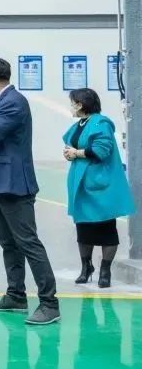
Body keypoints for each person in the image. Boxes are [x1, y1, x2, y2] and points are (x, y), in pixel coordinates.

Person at [0, 57, 59, 325]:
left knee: (28, 243)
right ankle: (16, 295)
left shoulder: (13, 102)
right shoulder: (2, 101)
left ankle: (49, 303)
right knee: (8, 243)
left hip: (14, 185)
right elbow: (2, 143)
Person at [62, 88, 135, 288]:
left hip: (100, 185)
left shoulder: (101, 123)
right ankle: (86, 267)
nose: (71, 106)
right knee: (83, 228)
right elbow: (73, 146)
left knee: (106, 228)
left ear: (80, 104)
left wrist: (76, 153)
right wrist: (69, 153)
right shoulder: (80, 124)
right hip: (81, 185)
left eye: (73, 102)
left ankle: (105, 270)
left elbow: (101, 151)